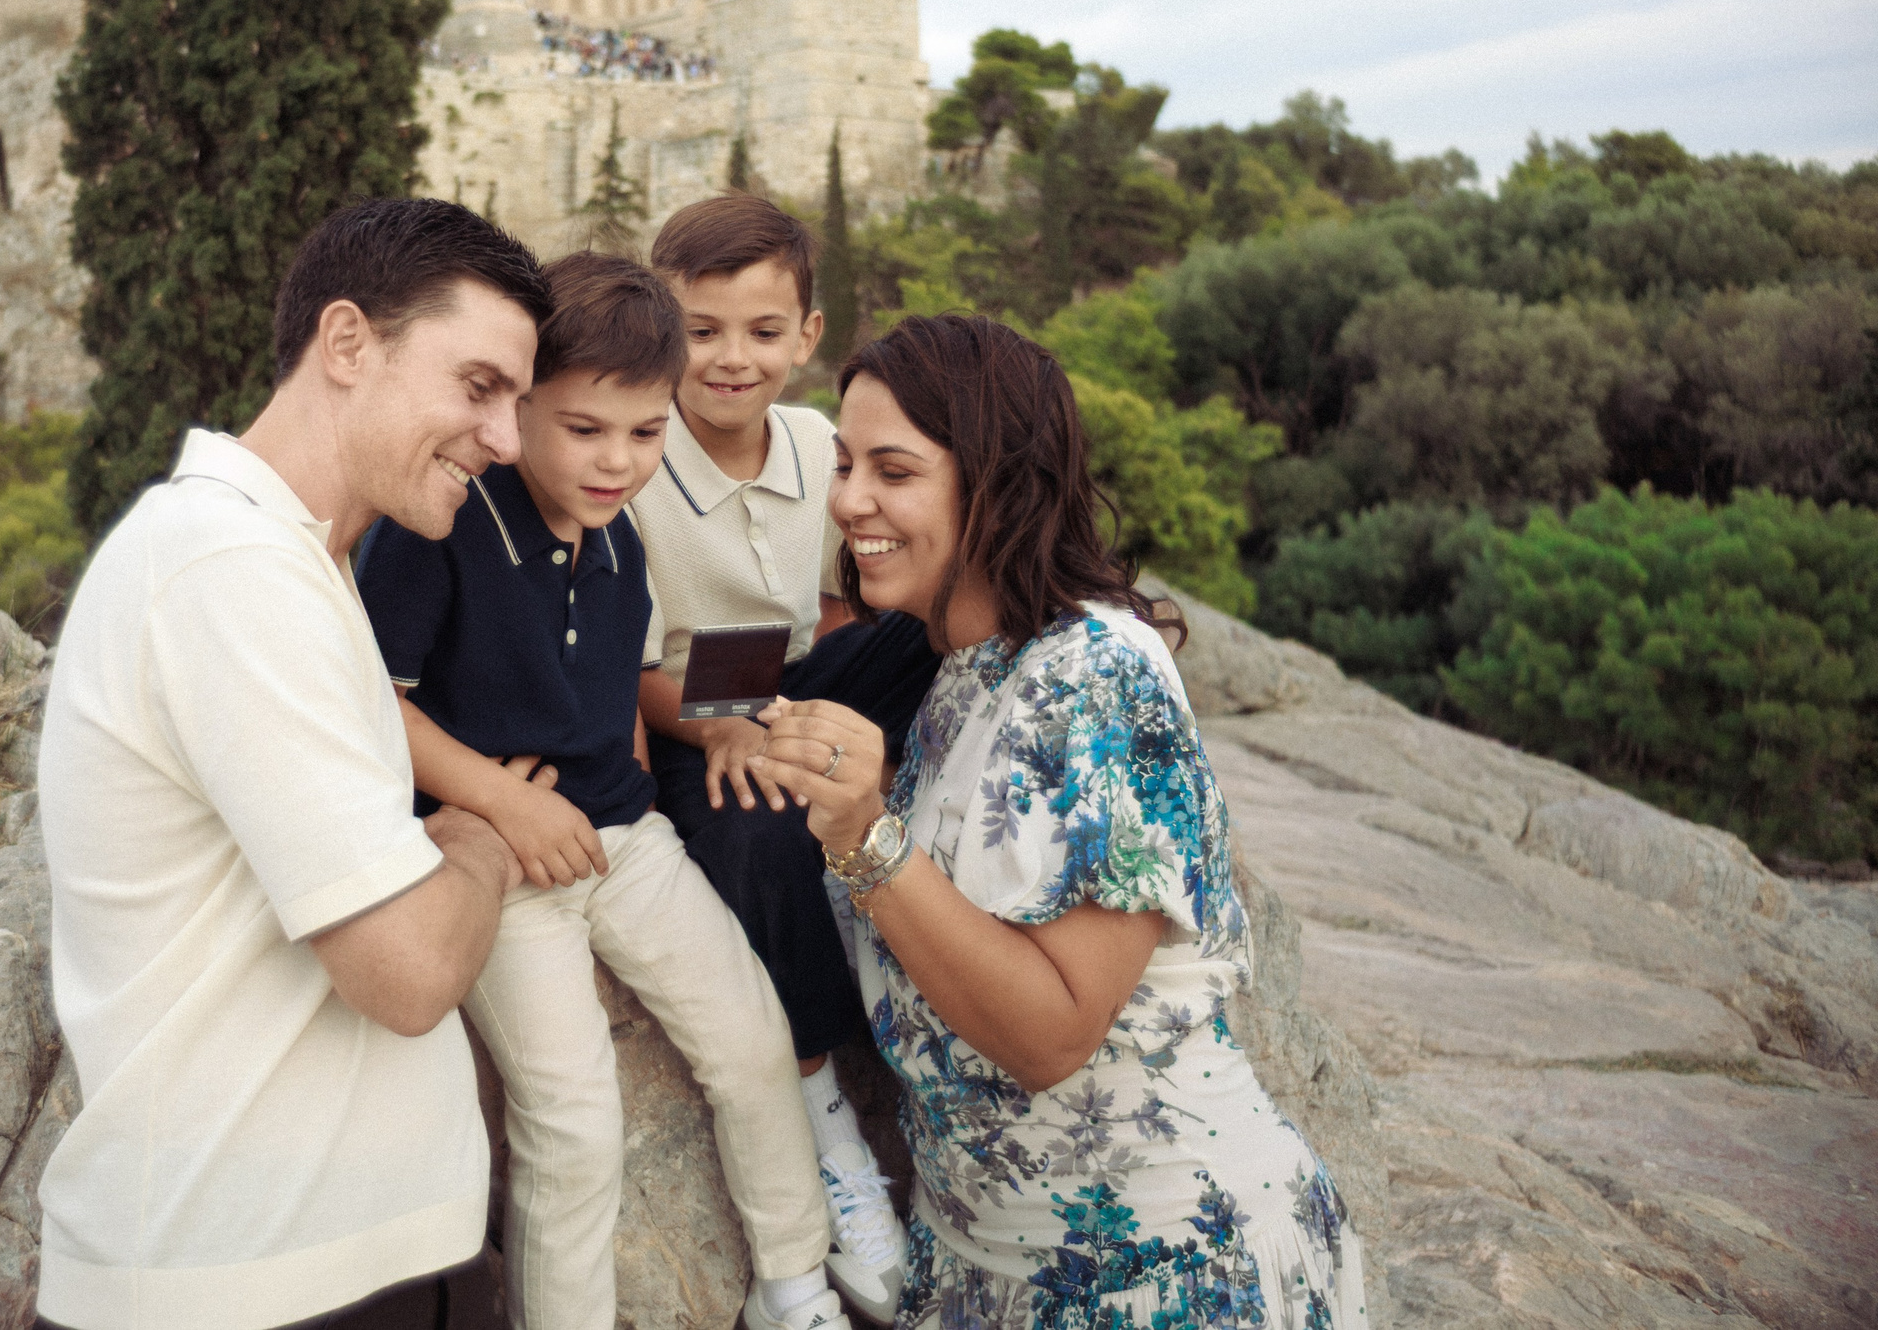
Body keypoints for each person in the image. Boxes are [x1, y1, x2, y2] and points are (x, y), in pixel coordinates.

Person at [744, 314, 1368, 1330]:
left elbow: (1052, 1033)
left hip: (1164, 1279)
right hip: (979, 1271)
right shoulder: (956, 671)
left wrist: (863, 835)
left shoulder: (1100, 674)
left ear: (998, 485)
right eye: (844, 463)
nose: (848, 499)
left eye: (893, 471)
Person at [33, 199, 554, 1330]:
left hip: (340, 1261)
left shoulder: (295, 564)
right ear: (349, 343)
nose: (508, 441)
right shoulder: (230, 568)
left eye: (516, 402)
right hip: (251, 1283)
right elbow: (409, 969)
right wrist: (476, 837)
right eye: (479, 387)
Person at [357, 252, 850, 1330]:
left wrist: (672, 775)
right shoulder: (442, 524)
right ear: (519, 404)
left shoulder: (621, 534)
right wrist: (500, 802)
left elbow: (618, 684)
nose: (617, 460)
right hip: (498, 863)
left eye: (645, 431)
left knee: (753, 1039)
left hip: (624, 837)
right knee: (573, 1123)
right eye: (583, 428)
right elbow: (371, 705)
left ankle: (795, 1282)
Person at [629, 194, 937, 1322]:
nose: (731, 359)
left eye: (763, 332)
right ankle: (829, 1129)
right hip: (686, 717)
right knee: (759, 832)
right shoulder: (633, 452)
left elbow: (837, 598)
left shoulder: (814, 442)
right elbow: (626, 668)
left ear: (807, 335)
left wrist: (810, 716)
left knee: (930, 636)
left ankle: (922, 840)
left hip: (790, 686)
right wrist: (719, 726)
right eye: (700, 330)